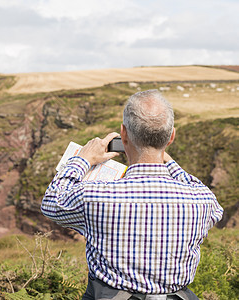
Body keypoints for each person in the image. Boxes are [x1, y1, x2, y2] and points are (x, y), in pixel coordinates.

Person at [41, 89, 223, 300]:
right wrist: (168, 161)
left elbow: (52, 202)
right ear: (171, 136)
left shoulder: (95, 196)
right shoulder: (202, 199)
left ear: (123, 134)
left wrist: (83, 159)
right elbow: (212, 206)